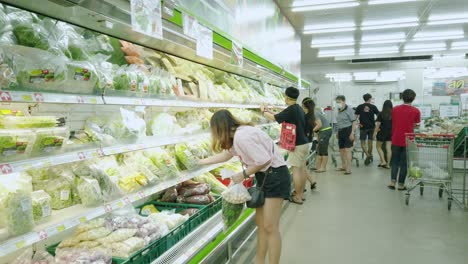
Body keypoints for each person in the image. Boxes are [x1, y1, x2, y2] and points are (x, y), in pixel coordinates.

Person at [198, 110, 290, 264]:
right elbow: (227, 155)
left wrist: (243, 174)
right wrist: (201, 162)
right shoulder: (237, 136)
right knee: (261, 224)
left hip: (275, 175)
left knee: (270, 226)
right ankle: (259, 260)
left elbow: (264, 160)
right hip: (265, 176)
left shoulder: (242, 136)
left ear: (220, 128)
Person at [262, 87, 310, 205]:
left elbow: (274, 118)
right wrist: (269, 110)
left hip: (297, 145)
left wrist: (263, 111)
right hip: (304, 143)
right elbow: (280, 115)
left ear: (287, 97)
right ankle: (301, 194)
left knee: (296, 171)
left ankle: (297, 196)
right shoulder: (297, 108)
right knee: (302, 169)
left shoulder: (291, 109)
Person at [388, 89, 421, 190]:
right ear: (413, 98)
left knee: (394, 161)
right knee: (404, 163)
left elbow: (394, 122)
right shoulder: (416, 111)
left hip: (396, 138)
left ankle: (392, 182)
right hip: (408, 139)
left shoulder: (395, 109)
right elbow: (417, 126)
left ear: (402, 97)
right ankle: (401, 184)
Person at [302, 97, 332, 178]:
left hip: (325, 130)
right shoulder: (311, 113)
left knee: (323, 150)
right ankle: (318, 166)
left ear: (305, 106)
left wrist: (311, 132)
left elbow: (319, 125)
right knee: (319, 149)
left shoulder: (314, 113)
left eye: (302, 106)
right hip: (322, 131)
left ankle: (323, 168)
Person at [355, 93, 380, 165]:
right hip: (372, 127)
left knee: (363, 143)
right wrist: (375, 122)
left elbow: (355, 117)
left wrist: (358, 123)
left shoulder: (359, 107)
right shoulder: (373, 107)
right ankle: (369, 155)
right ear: (370, 99)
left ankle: (368, 155)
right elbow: (379, 116)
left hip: (363, 127)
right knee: (370, 143)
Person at [335, 95, 356, 175]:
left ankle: (349, 168)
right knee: (341, 150)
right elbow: (338, 122)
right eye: (337, 102)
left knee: (347, 150)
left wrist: (352, 133)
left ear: (344, 101)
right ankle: (343, 166)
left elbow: (354, 121)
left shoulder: (349, 110)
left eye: (339, 102)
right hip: (340, 131)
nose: (338, 104)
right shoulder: (338, 110)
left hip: (348, 131)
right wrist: (337, 131)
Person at [373, 100, 393, 169]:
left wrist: (374, 133)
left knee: (378, 147)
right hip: (390, 132)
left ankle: (383, 161)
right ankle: (388, 164)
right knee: (388, 149)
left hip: (381, 132)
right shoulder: (393, 113)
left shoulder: (381, 113)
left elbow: (378, 125)